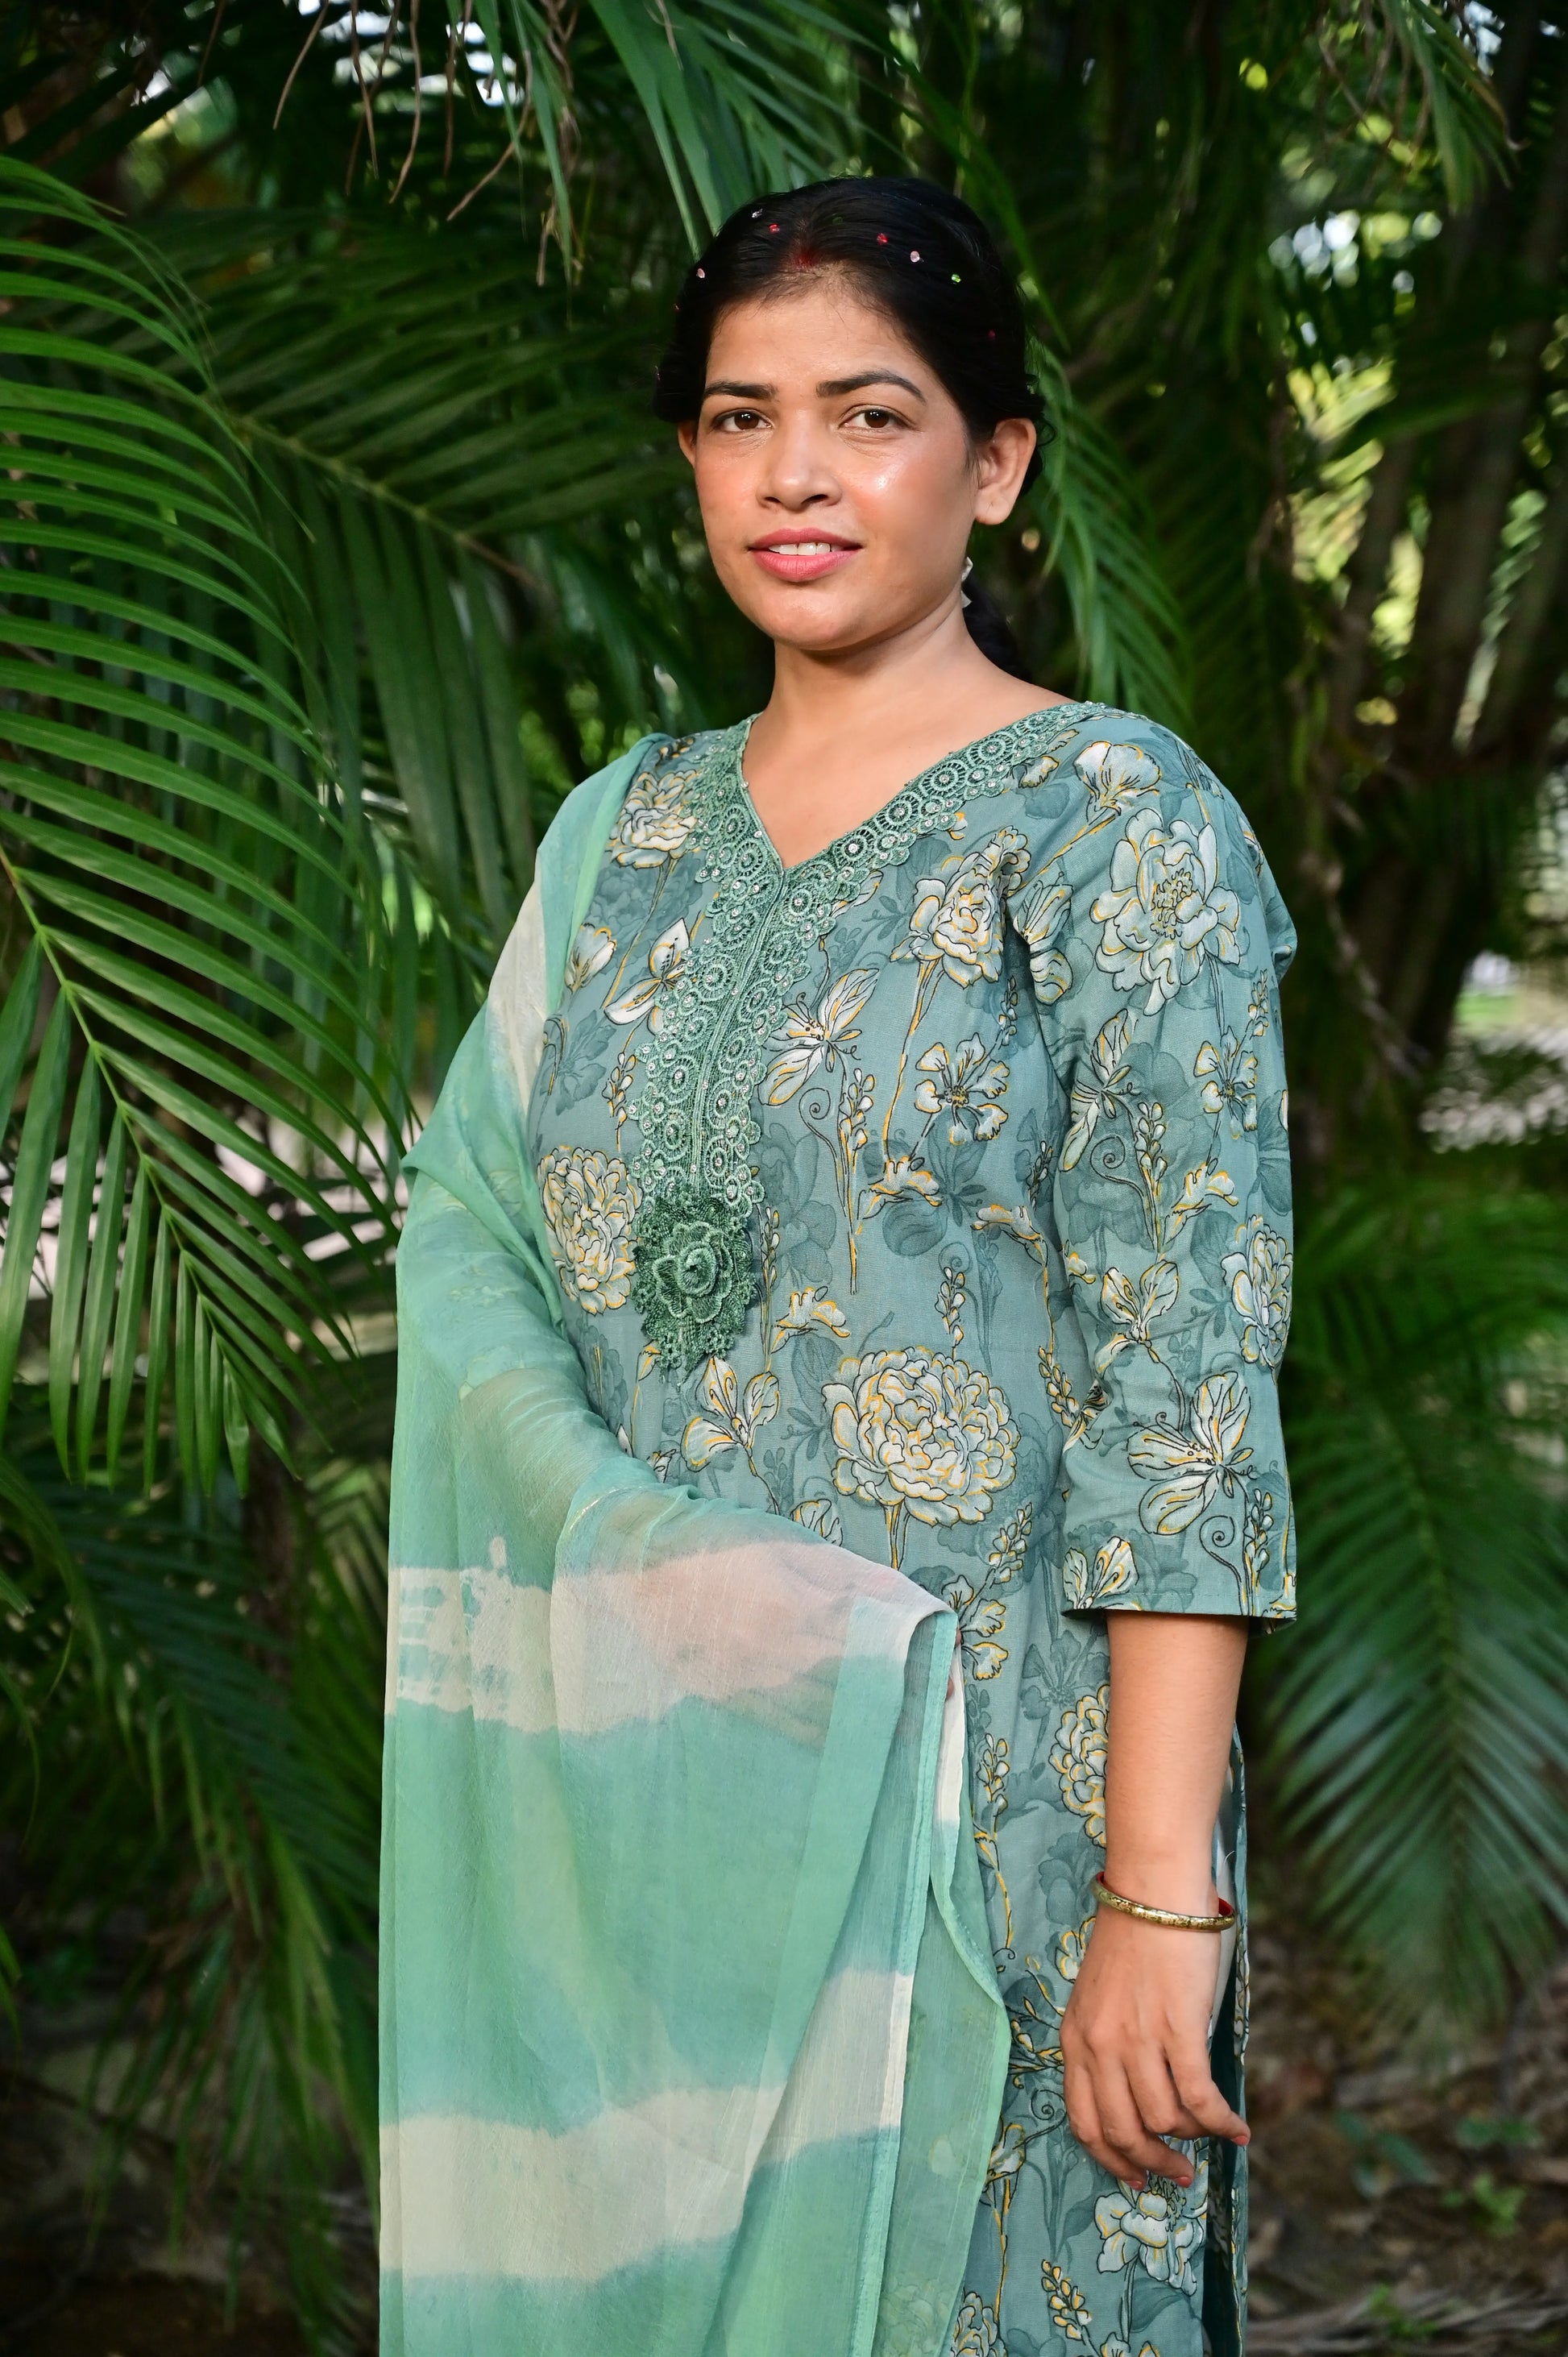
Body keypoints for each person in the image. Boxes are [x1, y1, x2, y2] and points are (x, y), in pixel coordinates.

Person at [380, 176, 1295, 2357]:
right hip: (642, 1799)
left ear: (992, 465)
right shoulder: (622, 833)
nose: (793, 472)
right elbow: (473, 1245)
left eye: (867, 414)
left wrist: (1157, 1896)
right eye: (735, 415)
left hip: (999, 1825)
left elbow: (1186, 1369)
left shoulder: (1111, 823)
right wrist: (638, 1557)